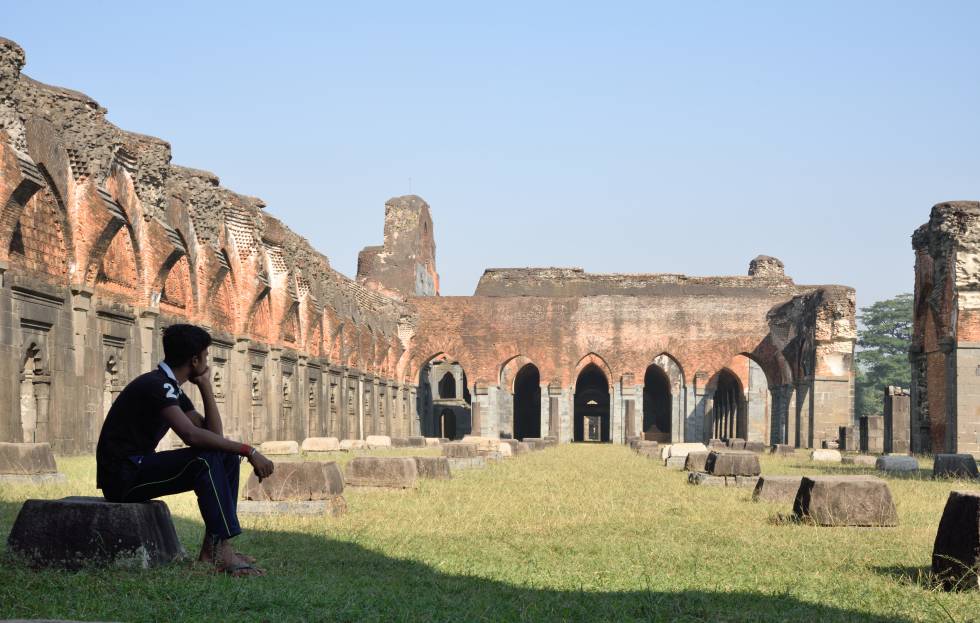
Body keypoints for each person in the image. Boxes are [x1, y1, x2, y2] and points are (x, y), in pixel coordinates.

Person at [96, 323, 275, 576]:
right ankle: (221, 552)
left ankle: (214, 550)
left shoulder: (171, 388)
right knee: (204, 460)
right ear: (195, 359)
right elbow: (191, 435)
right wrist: (249, 450)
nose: (207, 361)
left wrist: (205, 386)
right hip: (122, 477)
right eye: (206, 356)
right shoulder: (157, 385)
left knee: (225, 458)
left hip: (138, 468)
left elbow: (213, 436)